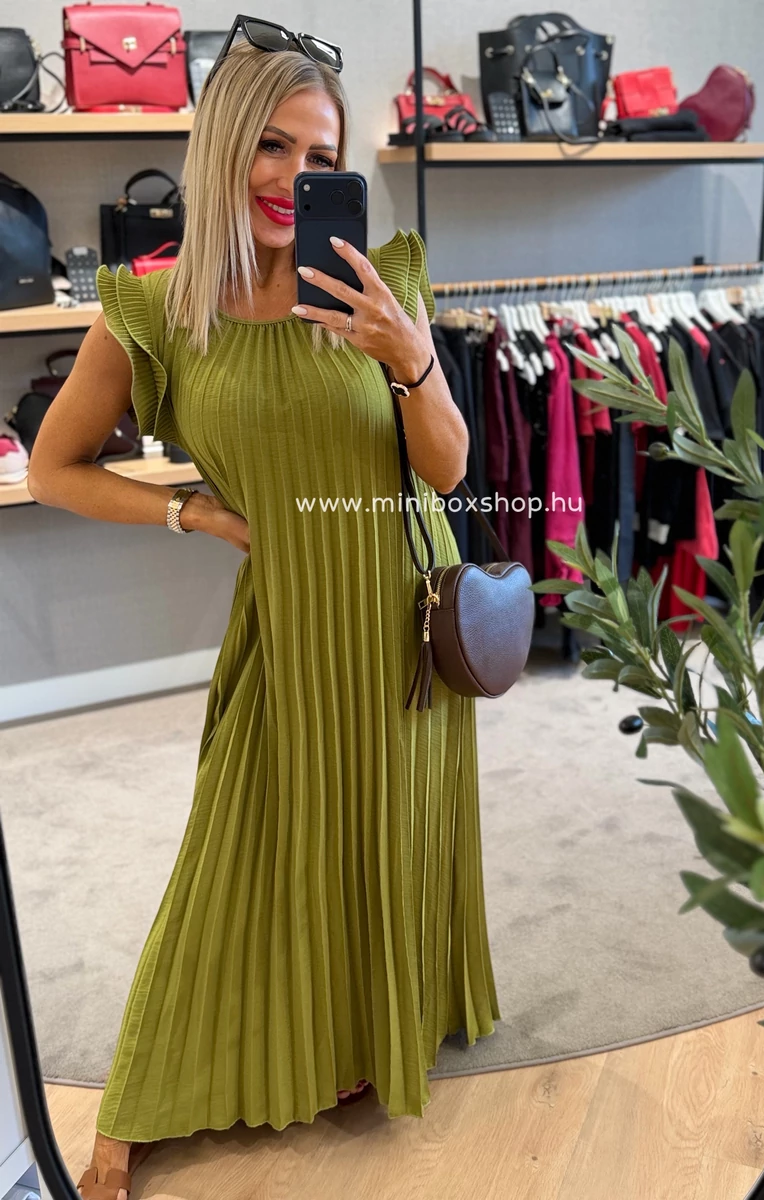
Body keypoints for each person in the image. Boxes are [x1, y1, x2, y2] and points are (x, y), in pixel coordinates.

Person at [26, 26, 501, 1200]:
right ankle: (144, 1101)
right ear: (224, 148)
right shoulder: (154, 308)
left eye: (321, 154)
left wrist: (409, 355)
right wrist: (190, 514)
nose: (295, 176)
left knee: (388, 826)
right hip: (287, 613)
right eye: (272, 146)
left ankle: (367, 1037)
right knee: (241, 842)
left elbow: (448, 470)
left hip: (401, 611)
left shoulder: (380, 279)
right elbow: (53, 469)